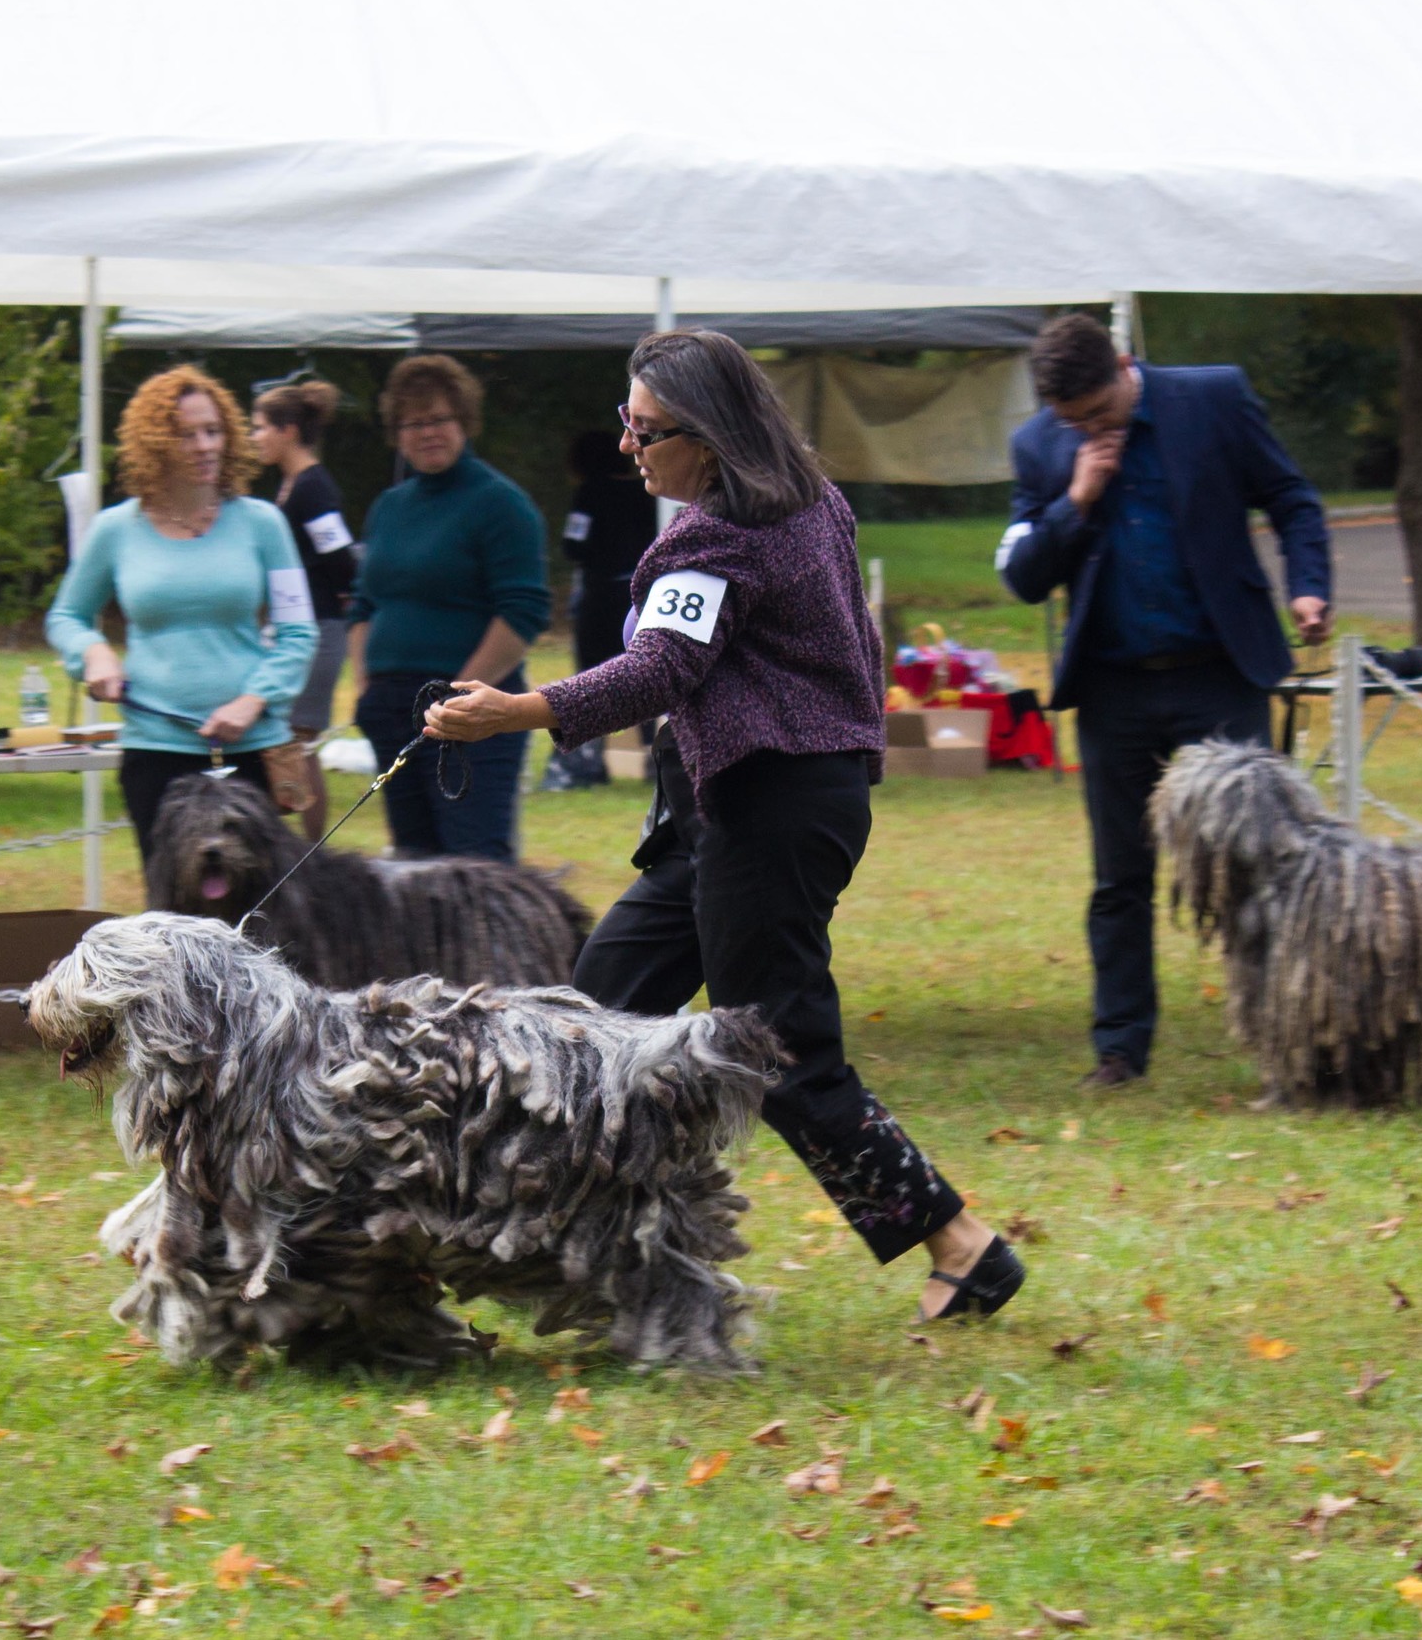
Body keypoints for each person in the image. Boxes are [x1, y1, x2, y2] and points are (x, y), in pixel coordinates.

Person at [426, 329, 1023, 1325]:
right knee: (590, 1012)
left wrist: (516, 711)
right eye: (627, 422)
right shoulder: (811, 501)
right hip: (742, 809)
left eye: (645, 429)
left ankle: (960, 1243)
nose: (627, 446)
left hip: (770, 811)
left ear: (706, 435)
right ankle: (570, 1238)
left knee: (776, 1049)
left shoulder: (723, 533)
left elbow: (658, 668)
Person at [1001, 312, 1331, 1091]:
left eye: (1098, 411)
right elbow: (1020, 575)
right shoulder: (1041, 447)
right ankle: (1120, 1047)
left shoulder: (1213, 399)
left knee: (1263, 861)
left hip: (1220, 674)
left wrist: (1311, 585)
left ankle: (1291, 1035)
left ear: (1123, 365)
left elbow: (1291, 498)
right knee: (1121, 876)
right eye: (1071, 420)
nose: (1087, 427)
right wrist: (1074, 500)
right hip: (1114, 688)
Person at [46, 366, 318, 885]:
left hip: (253, 751)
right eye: (186, 434)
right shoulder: (115, 530)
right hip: (157, 754)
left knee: (266, 916)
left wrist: (254, 700)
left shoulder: (262, 523)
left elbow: (298, 631)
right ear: (154, 444)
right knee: (173, 919)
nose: (204, 446)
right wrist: (94, 655)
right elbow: (67, 616)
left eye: (212, 431)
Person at [347, 354, 550, 860]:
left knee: (476, 865)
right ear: (396, 432)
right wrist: (364, 687)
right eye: (413, 423)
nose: (427, 432)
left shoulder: (500, 504)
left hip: (472, 713)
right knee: (413, 867)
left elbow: (523, 611)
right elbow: (363, 604)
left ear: (464, 420)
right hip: (392, 709)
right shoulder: (389, 507)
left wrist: (461, 699)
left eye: (439, 418)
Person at [251, 379, 356, 840]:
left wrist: (338, 599)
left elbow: (341, 559)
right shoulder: (292, 485)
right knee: (291, 739)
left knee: (302, 740)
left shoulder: (312, 488)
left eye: (260, 428)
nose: (254, 437)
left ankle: (313, 850)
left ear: (288, 430)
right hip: (298, 626)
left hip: (318, 630)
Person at [543, 430, 660, 789]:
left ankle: (587, 763)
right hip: (639, 601)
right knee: (643, 677)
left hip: (598, 601)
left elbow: (573, 545)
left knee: (592, 678)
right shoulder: (646, 493)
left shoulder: (589, 493)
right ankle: (655, 761)